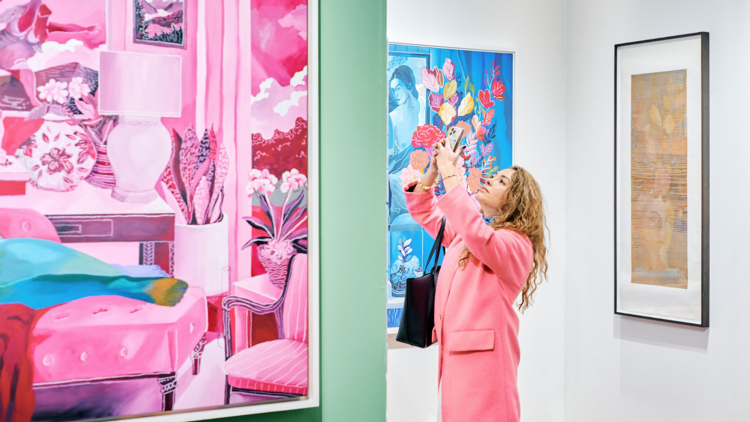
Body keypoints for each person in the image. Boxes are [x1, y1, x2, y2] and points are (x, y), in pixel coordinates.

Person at [405, 139, 548, 422]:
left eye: (500, 181)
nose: (489, 181)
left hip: (486, 372)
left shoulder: (516, 245)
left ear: (516, 199)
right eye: (493, 177)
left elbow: (478, 233)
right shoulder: (467, 238)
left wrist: (450, 170)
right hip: (454, 365)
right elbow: (424, 212)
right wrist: (434, 171)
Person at [388, 65, 421, 223]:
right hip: (398, 168)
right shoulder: (393, 117)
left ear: (408, 85)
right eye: (393, 89)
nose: (395, 94)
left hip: (418, 167)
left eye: (398, 88)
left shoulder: (419, 107)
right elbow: (390, 152)